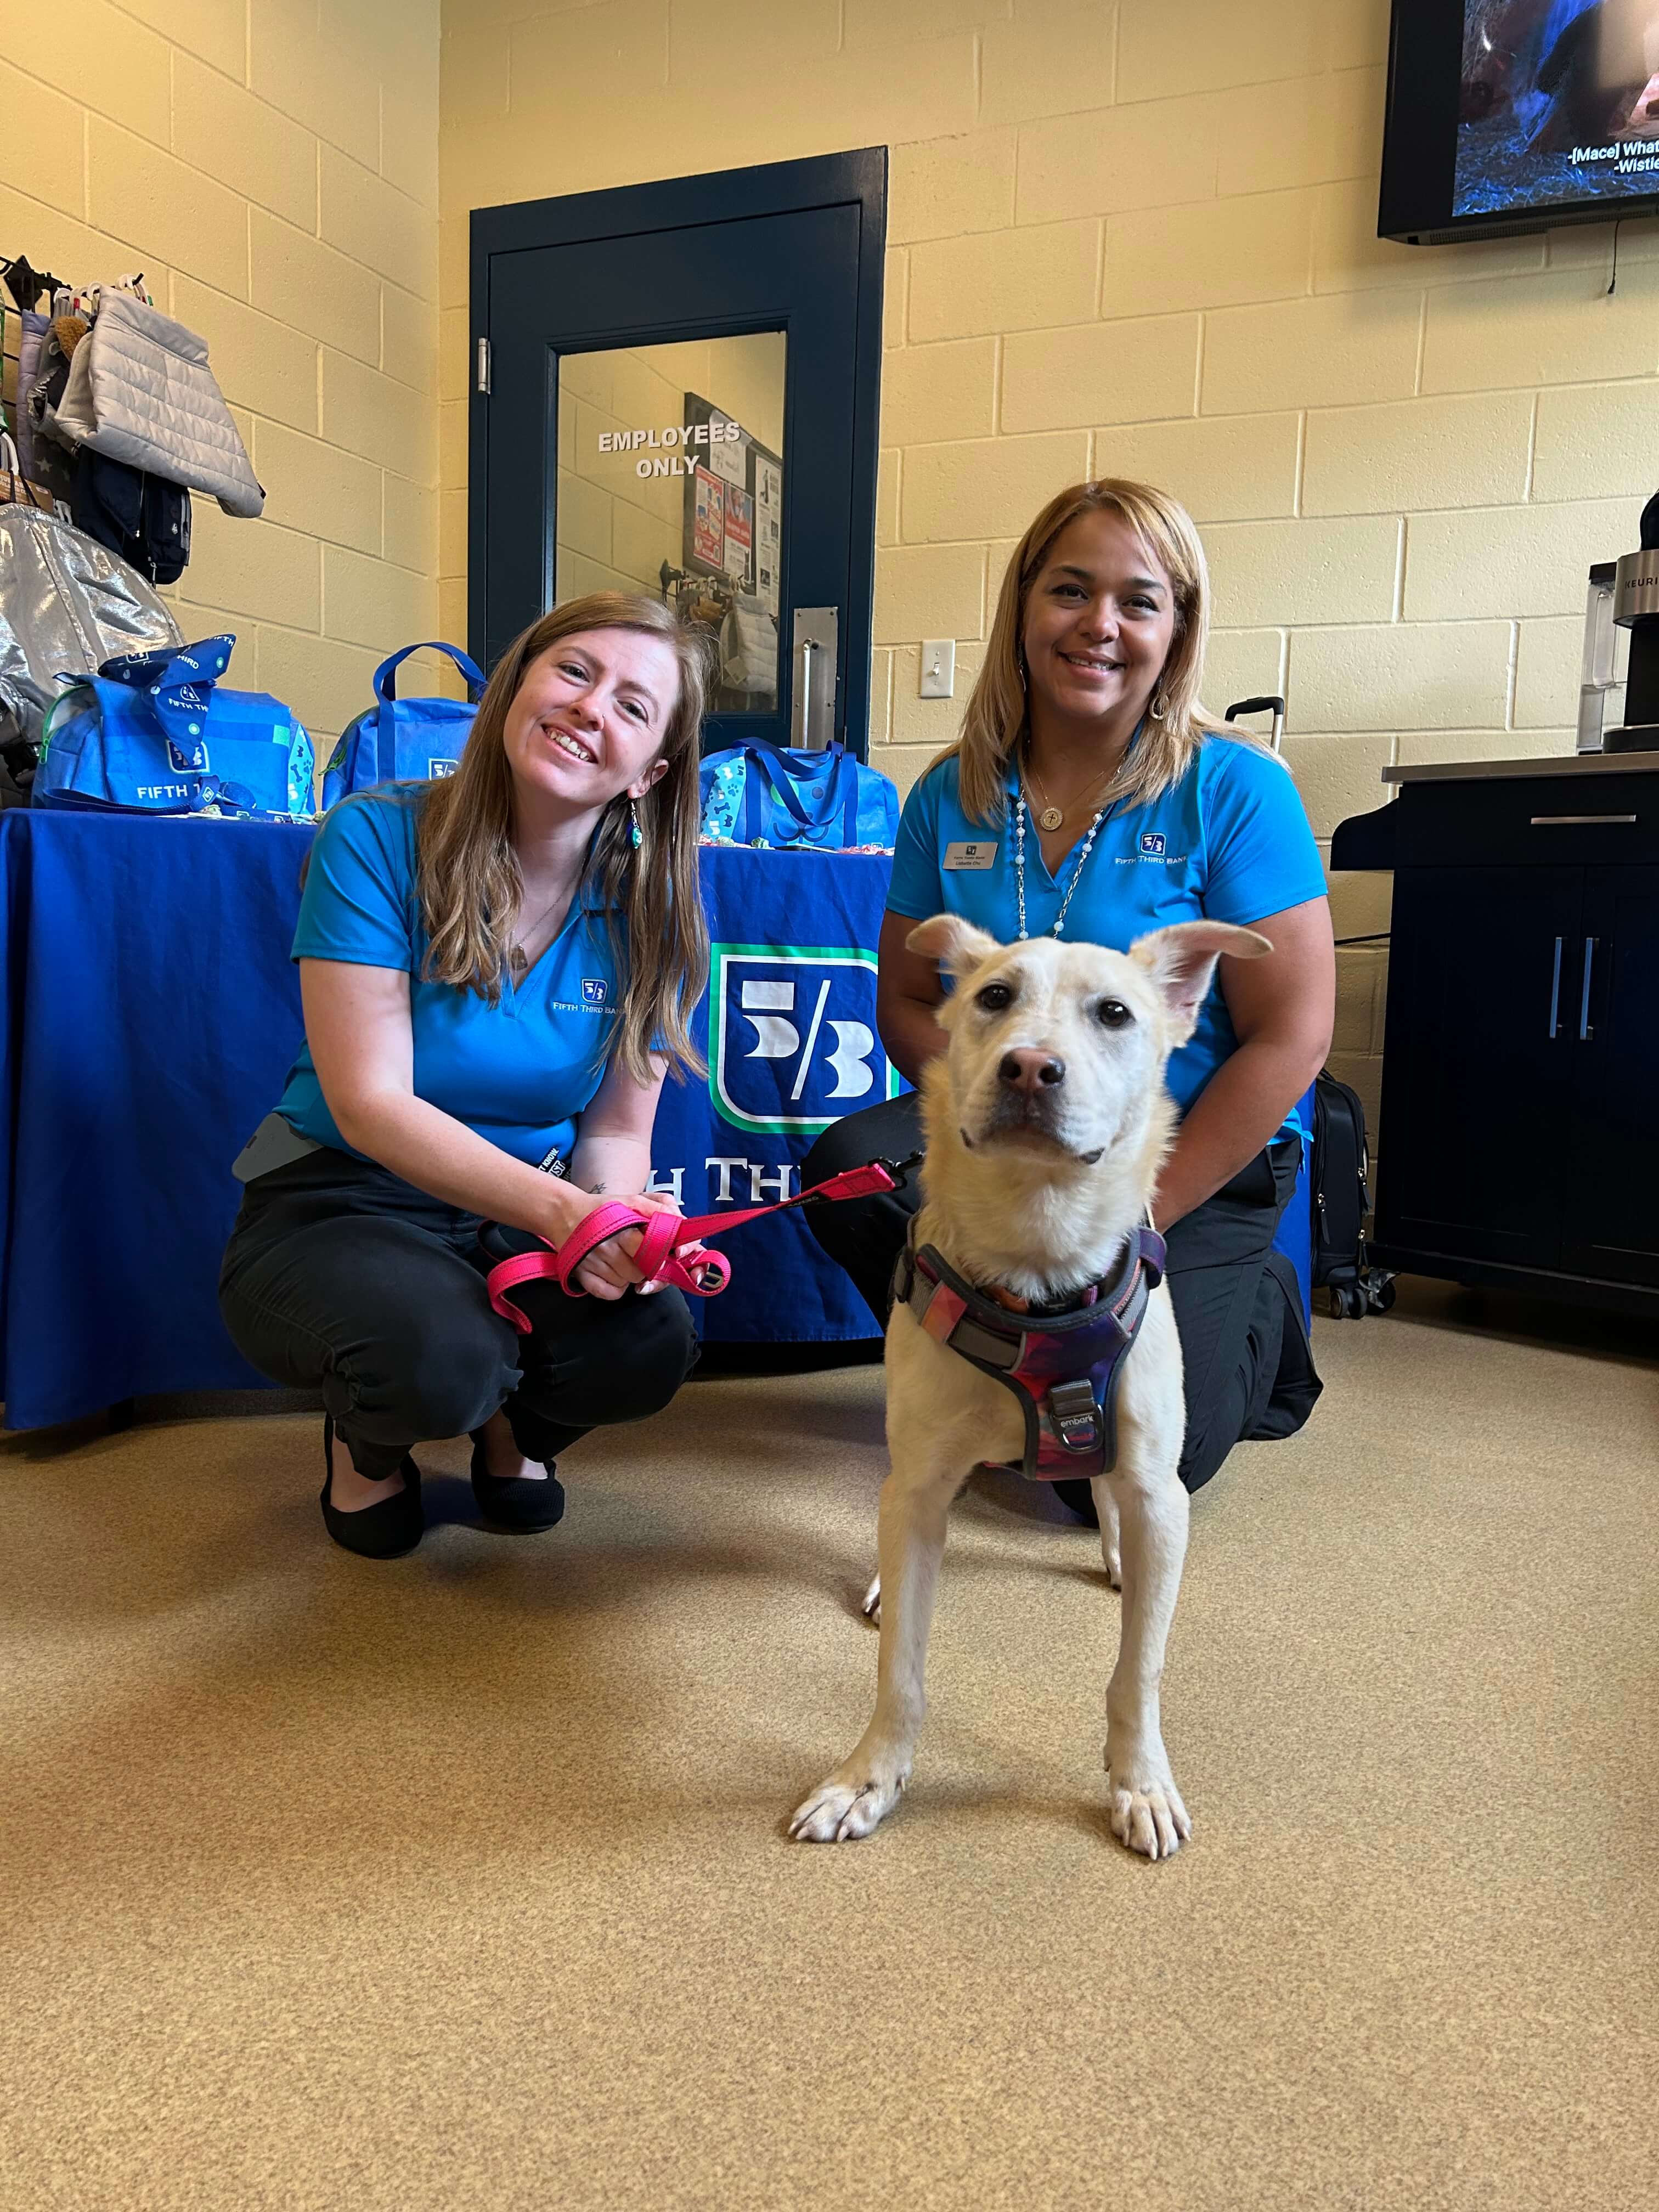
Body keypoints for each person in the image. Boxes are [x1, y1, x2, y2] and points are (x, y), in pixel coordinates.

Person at [803, 479, 1335, 1514]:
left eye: (1140, 602)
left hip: (1183, 1152)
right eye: (1071, 590)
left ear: (1177, 632)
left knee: (1132, 1473)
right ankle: (981, 1378)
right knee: (848, 1173)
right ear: (1023, 608)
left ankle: (1258, 1306)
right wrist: (991, 1096)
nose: (1100, 625)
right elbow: (905, 996)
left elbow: (1293, 1035)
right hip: (1014, 1137)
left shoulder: (1236, 787)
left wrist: (1134, 1215)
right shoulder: (951, 791)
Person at [219, 594, 710, 1558]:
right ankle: (367, 1448)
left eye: (632, 705)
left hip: (523, 1213)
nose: (590, 707)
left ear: (650, 773)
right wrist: (569, 1216)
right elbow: (371, 1105)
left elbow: (616, 1135)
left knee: (652, 1340)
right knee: (438, 1360)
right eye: (574, 672)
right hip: (343, 1196)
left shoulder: (655, 912)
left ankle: (515, 1434)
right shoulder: (374, 836)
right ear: (517, 684)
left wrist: (616, 1226)